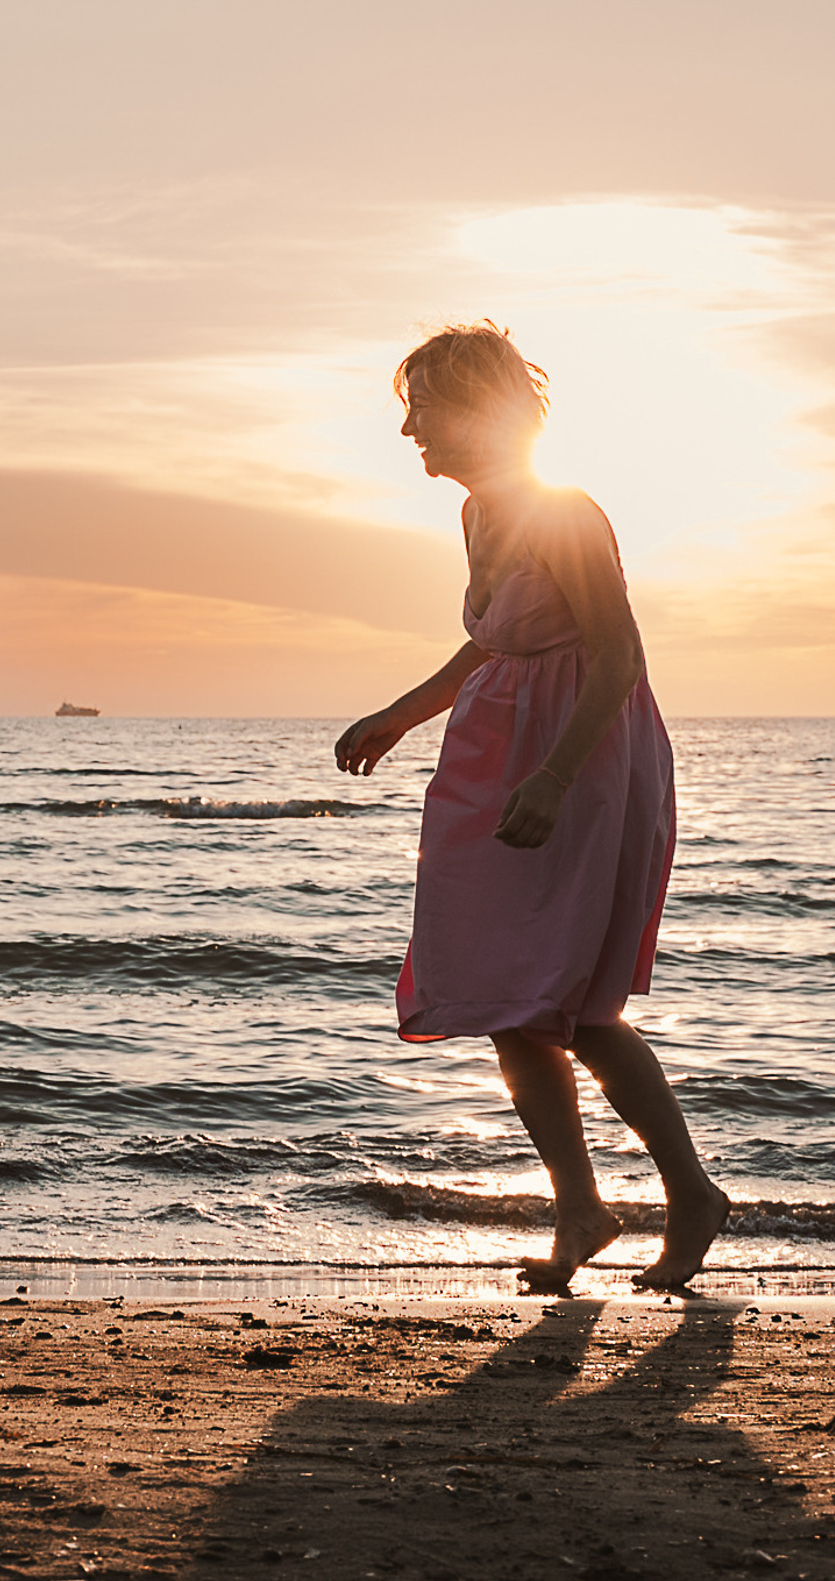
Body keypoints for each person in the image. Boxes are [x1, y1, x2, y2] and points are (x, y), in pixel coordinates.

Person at [335, 323, 729, 1293]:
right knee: (507, 996)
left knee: (574, 1001)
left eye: (420, 406)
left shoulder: (564, 513)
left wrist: (553, 777)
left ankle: (691, 1193)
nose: (407, 429)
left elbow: (616, 654)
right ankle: (580, 1207)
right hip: (492, 754)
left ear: (476, 406)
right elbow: (494, 642)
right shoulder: (477, 514)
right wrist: (401, 712)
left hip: (577, 756)